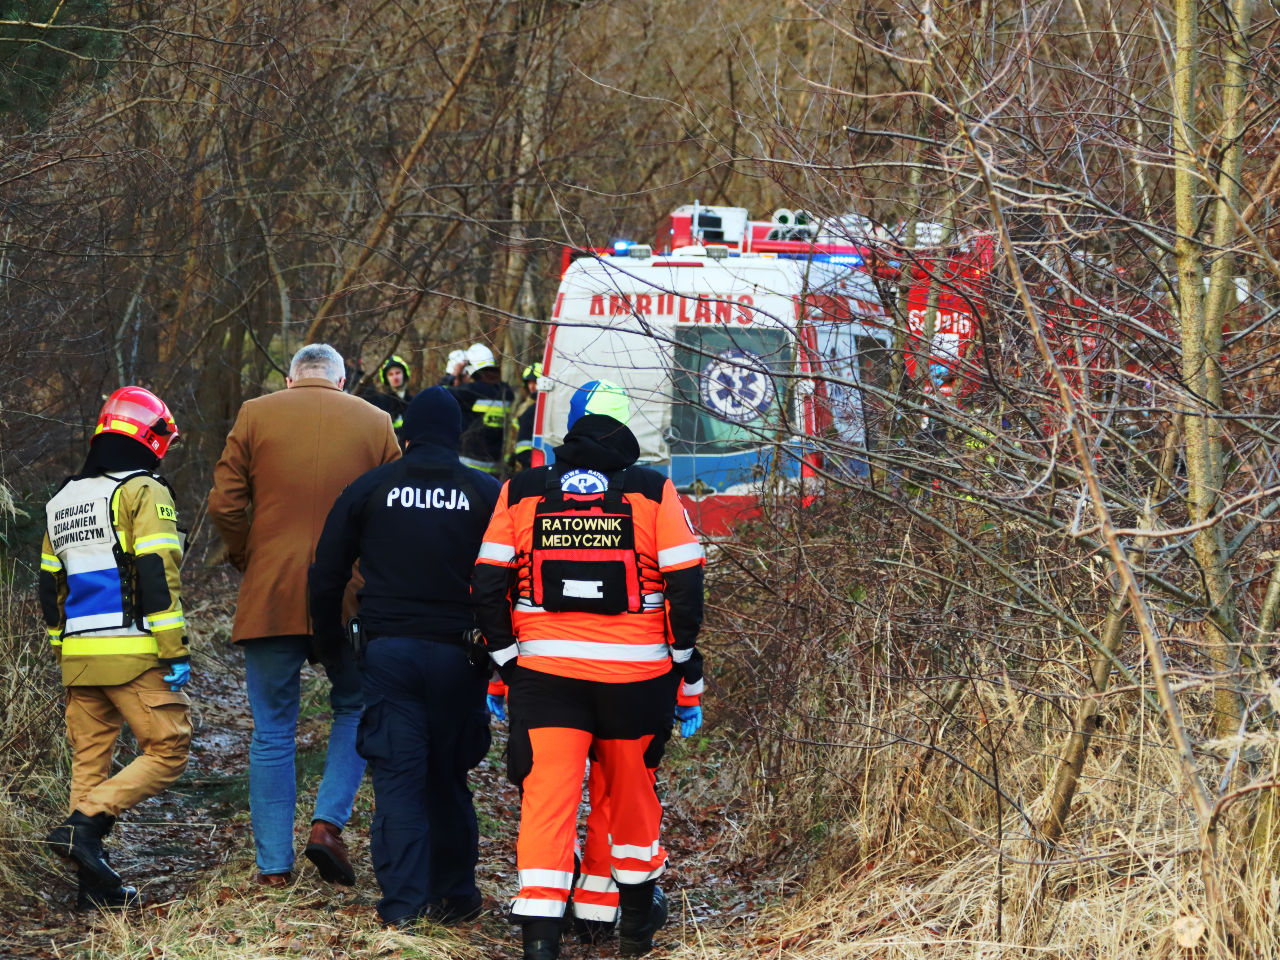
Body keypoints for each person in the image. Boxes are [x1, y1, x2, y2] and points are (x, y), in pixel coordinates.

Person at [472, 379, 706, 960]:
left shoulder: (523, 490)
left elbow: (488, 581)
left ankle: (541, 942)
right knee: (628, 798)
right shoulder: (651, 490)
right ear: (624, 427)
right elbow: (686, 582)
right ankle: (629, 928)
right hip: (635, 683)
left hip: (546, 679)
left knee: (547, 802)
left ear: (571, 424)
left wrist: (505, 659)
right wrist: (683, 660)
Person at [207, 343, 400, 888]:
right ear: (341, 381)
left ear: (291, 380)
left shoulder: (255, 414)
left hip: (272, 589)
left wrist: (249, 556)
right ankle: (326, 825)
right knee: (355, 706)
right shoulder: (376, 422)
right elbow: (392, 510)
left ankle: (273, 866)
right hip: (349, 595)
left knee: (272, 729)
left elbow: (224, 504)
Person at [309, 387, 501, 928]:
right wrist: (504, 651)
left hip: (389, 655)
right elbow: (512, 574)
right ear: (458, 433)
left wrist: (329, 645)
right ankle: (456, 896)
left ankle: (403, 908)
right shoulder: (486, 492)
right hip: (461, 657)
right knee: (448, 776)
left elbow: (325, 573)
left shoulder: (371, 487)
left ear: (406, 432)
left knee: (398, 780)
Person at [39, 387, 191, 910]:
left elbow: (49, 588)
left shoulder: (62, 498)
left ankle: (95, 891)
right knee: (169, 749)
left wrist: (63, 650)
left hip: (78, 656)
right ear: (151, 437)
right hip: (134, 652)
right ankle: (81, 828)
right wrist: (174, 648)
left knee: (89, 765)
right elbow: (157, 571)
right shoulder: (144, 490)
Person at [447, 343, 514, 476]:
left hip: (468, 467)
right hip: (494, 468)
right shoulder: (506, 392)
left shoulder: (470, 391)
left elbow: (439, 394)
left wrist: (453, 376)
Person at [360, 354, 415, 439]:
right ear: (386, 378)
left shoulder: (414, 402)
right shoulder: (381, 403)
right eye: (390, 374)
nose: (395, 377)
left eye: (398, 373)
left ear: (404, 374)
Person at [510, 362, 541, 472]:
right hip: (519, 459)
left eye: (535, 382)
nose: (532, 386)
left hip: (532, 459)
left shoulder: (542, 406)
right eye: (529, 382)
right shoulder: (524, 406)